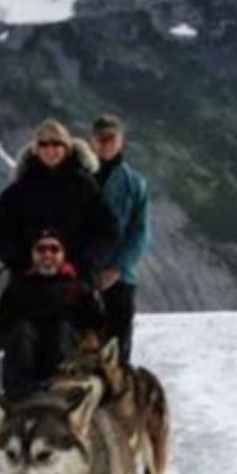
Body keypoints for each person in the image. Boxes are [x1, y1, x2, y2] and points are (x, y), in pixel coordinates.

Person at [0, 118, 118, 283]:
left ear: (67, 148)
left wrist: (81, 262)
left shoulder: (85, 187)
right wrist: (22, 261)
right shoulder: (21, 188)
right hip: (29, 282)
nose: (50, 150)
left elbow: (109, 230)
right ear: (36, 149)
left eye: (56, 144)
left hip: (75, 281)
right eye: (43, 144)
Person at [0, 228, 105, 397]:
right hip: (22, 373)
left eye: (54, 249)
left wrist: (85, 339)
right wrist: (14, 335)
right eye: (41, 249)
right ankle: (22, 393)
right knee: (23, 330)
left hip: (66, 374)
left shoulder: (79, 288)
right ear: (32, 254)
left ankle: (57, 390)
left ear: (63, 254)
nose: (47, 254)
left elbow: (98, 329)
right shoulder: (17, 288)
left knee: (61, 330)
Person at [89, 114, 150, 363]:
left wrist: (118, 268)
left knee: (117, 346)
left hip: (120, 278)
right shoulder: (80, 178)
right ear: (91, 141)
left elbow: (140, 232)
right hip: (83, 273)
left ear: (121, 141)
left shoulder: (135, 185)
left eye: (110, 138)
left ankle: (116, 397)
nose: (105, 144)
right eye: (100, 138)